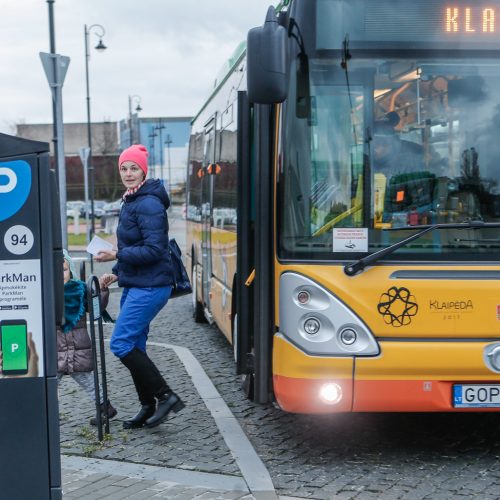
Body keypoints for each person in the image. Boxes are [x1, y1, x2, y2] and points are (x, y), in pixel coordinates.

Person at [96, 144, 184, 430]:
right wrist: (115, 272)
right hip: (136, 283)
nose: (128, 173)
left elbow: (155, 250)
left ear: (144, 170)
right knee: (135, 344)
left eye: (134, 168)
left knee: (120, 343)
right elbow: (132, 246)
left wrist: (117, 255)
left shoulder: (148, 203)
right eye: (124, 168)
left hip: (151, 287)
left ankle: (166, 396)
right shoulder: (131, 200)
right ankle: (147, 406)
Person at [59, 250, 117, 426]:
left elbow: (95, 307)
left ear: (71, 270)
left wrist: (103, 290)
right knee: (48, 385)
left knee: (90, 383)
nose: (60, 274)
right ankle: (45, 412)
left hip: (78, 348)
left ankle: (105, 408)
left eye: (64, 269)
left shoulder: (80, 289)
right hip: (56, 350)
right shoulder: (47, 293)